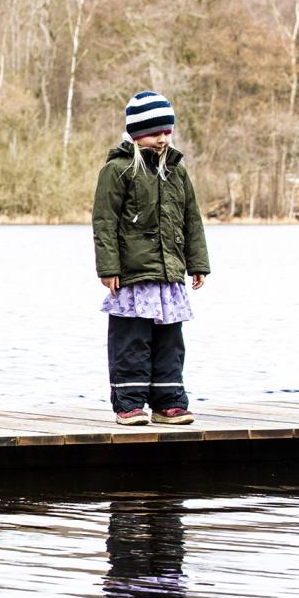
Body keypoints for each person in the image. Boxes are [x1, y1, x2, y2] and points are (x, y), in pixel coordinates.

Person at [92, 91, 210, 426]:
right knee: (132, 341)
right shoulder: (118, 170)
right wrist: (108, 267)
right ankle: (128, 404)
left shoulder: (177, 170)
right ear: (134, 133)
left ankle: (168, 402)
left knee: (170, 343)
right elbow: (104, 222)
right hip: (132, 276)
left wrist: (197, 263)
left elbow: (192, 219)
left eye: (167, 132)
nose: (162, 139)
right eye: (155, 132)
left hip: (169, 276)